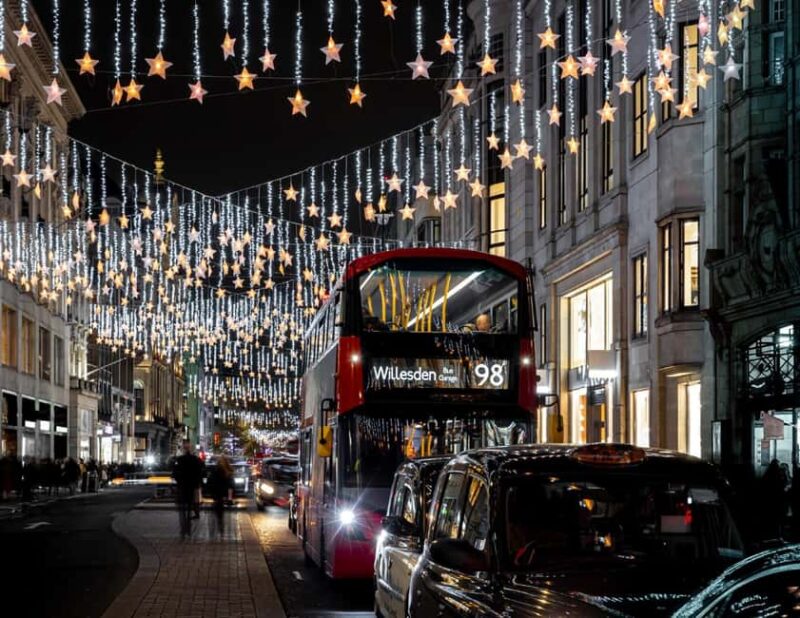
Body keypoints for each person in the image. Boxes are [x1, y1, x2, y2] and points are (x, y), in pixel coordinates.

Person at [172, 440, 204, 539]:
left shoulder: (179, 460)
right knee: (189, 507)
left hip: (182, 487)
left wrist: (178, 482)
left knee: (183, 510)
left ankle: (184, 529)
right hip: (191, 487)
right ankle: (188, 529)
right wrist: (197, 483)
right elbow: (201, 472)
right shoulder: (196, 460)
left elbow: (175, 474)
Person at [207, 456, 234, 538]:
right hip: (222, 493)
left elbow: (210, 481)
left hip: (216, 492)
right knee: (220, 510)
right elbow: (230, 485)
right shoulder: (227, 471)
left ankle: (218, 524)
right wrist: (229, 497)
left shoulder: (215, 470)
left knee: (217, 508)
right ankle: (220, 524)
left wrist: (210, 491)